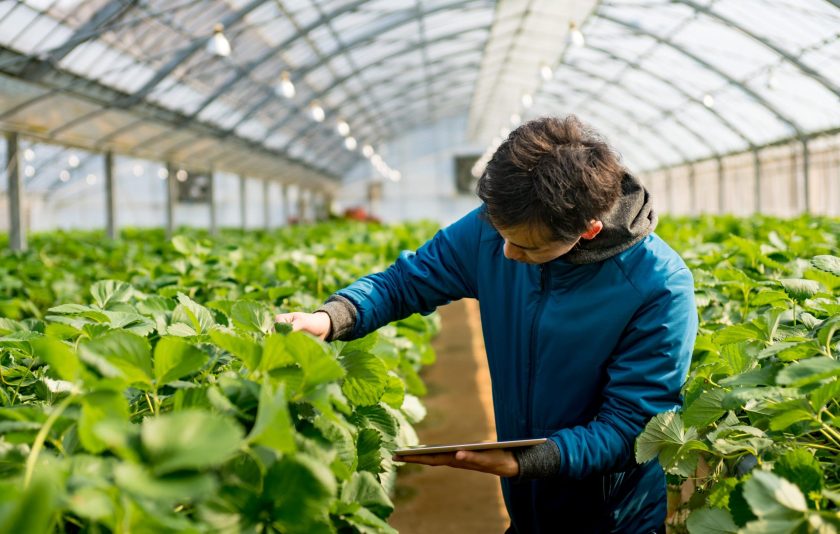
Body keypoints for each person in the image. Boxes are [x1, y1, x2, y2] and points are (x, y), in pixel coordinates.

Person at [275, 115, 697, 533]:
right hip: (525, 511)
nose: (507, 253)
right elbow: (407, 281)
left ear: (587, 230)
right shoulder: (493, 228)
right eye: (501, 235)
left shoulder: (657, 286)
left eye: (527, 246)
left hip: (612, 521)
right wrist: (330, 318)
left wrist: (529, 460)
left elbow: (631, 428)